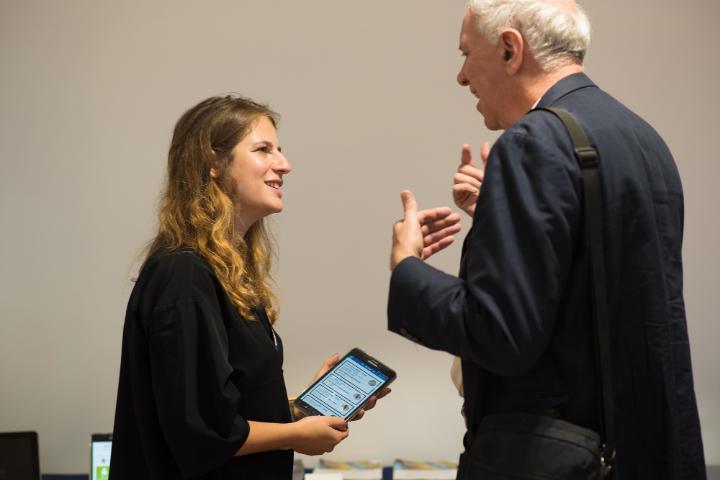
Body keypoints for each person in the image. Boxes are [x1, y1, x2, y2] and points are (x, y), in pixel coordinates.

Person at [388, 1, 706, 478]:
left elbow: (502, 333)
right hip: (645, 450)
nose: (460, 77)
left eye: (466, 54)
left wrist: (407, 268)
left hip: (561, 456)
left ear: (510, 50)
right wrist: (498, 220)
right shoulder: (641, 137)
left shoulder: (532, 141)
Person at [109, 95, 413, 480]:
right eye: (263, 150)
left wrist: (300, 409)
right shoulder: (183, 274)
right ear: (213, 163)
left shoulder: (221, 271)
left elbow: (224, 410)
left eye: (280, 150)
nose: (284, 165)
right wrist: (294, 435)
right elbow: (201, 434)